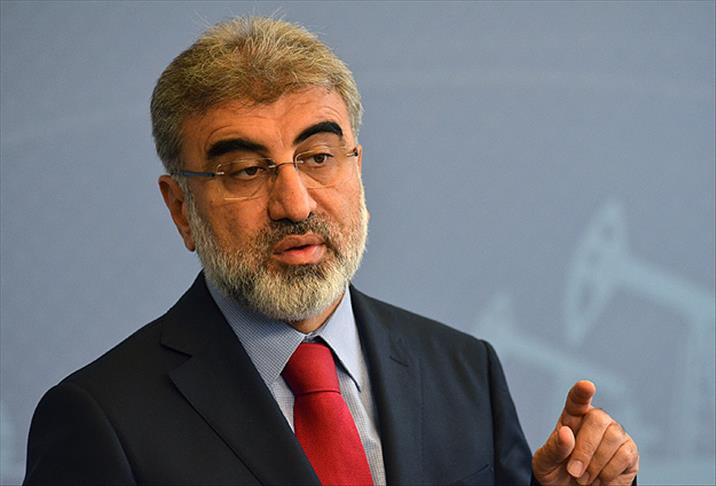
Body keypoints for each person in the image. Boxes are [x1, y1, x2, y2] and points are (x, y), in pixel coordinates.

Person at [24, 16, 639, 486]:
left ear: (357, 169)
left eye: (318, 157)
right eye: (245, 170)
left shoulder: (464, 369)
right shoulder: (99, 420)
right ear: (181, 208)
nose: (295, 204)